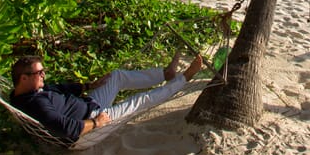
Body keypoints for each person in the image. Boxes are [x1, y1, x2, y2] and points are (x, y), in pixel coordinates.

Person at [11, 51, 203, 145]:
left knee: (116, 76)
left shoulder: (31, 90)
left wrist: (88, 86)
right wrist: (96, 122)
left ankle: (165, 74)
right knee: (139, 101)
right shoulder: (36, 103)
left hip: (91, 106)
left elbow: (59, 88)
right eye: (39, 73)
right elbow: (64, 129)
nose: (44, 75)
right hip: (89, 132)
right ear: (24, 78)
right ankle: (182, 79)